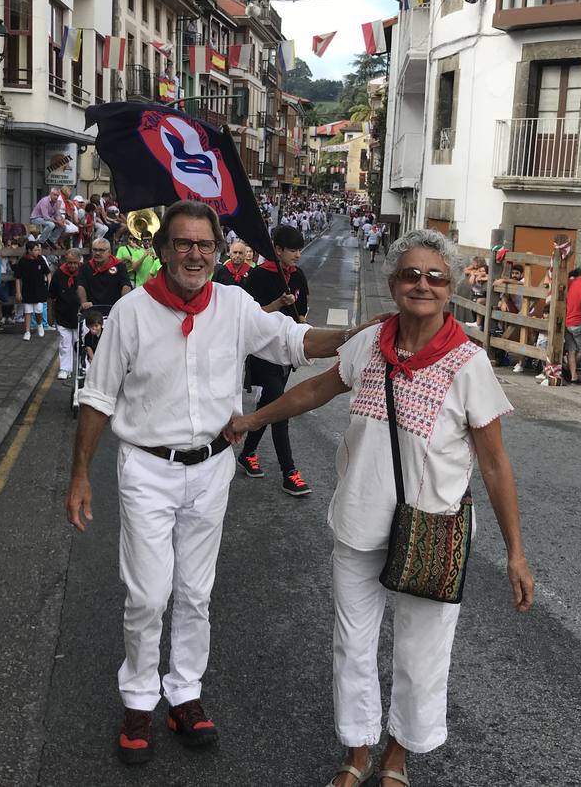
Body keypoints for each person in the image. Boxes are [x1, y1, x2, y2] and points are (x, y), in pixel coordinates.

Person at [65, 200, 373, 766]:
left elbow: (293, 340)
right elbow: (99, 397)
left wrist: (359, 333)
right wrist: (80, 474)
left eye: (205, 245)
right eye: (183, 244)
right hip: (147, 471)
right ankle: (138, 698)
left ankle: (184, 692)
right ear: (162, 252)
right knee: (147, 593)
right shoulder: (131, 313)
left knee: (195, 591)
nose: (196, 254)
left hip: (211, 469)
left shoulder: (233, 304)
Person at [225, 229, 533, 787]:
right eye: (411, 274)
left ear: (451, 288)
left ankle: (398, 754)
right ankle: (358, 750)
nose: (423, 284)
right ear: (392, 283)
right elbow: (316, 389)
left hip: (431, 529)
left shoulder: (469, 364)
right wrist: (252, 419)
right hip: (360, 517)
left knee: (421, 651)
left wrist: (516, 552)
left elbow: (494, 464)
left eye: (436, 276)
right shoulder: (372, 343)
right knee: (352, 642)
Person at [236, 225, 312, 496]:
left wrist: (308, 337)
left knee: (269, 405)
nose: (298, 254)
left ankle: (247, 452)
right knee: (281, 408)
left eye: (300, 249)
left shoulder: (299, 277)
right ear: (277, 250)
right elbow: (251, 317)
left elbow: (301, 316)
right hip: (262, 353)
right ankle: (289, 472)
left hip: (285, 354)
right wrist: (278, 304)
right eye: (292, 249)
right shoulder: (258, 276)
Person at [51, 248, 86, 381]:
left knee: (80, 343)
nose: (72, 265)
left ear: (79, 261)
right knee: (65, 343)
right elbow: (52, 296)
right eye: (69, 262)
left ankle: (82, 366)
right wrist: (50, 315)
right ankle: (65, 368)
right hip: (62, 314)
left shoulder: (84, 272)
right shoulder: (58, 274)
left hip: (80, 315)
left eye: (75, 263)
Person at [77, 238, 132, 311]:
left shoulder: (119, 266)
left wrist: (121, 303)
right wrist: (84, 302)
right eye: (95, 250)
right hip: (92, 312)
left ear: (109, 252)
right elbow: (80, 286)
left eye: (101, 250)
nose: (97, 253)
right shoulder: (85, 267)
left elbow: (126, 286)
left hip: (113, 310)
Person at [14, 241, 51, 341]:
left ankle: (39, 324)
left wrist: (49, 286)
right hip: (27, 289)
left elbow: (48, 273)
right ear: (29, 251)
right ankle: (27, 331)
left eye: (38, 250)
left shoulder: (40, 260)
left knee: (39, 310)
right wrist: (18, 292)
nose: (37, 252)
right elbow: (18, 278)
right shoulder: (22, 261)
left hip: (39, 289)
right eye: (35, 250)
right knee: (27, 311)